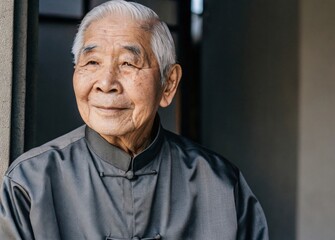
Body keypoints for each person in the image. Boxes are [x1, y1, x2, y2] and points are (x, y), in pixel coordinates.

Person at [0, 1, 268, 239]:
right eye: (92, 62)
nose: (106, 84)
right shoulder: (30, 183)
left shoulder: (220, 185)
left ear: (168, 84)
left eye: (128, 63)